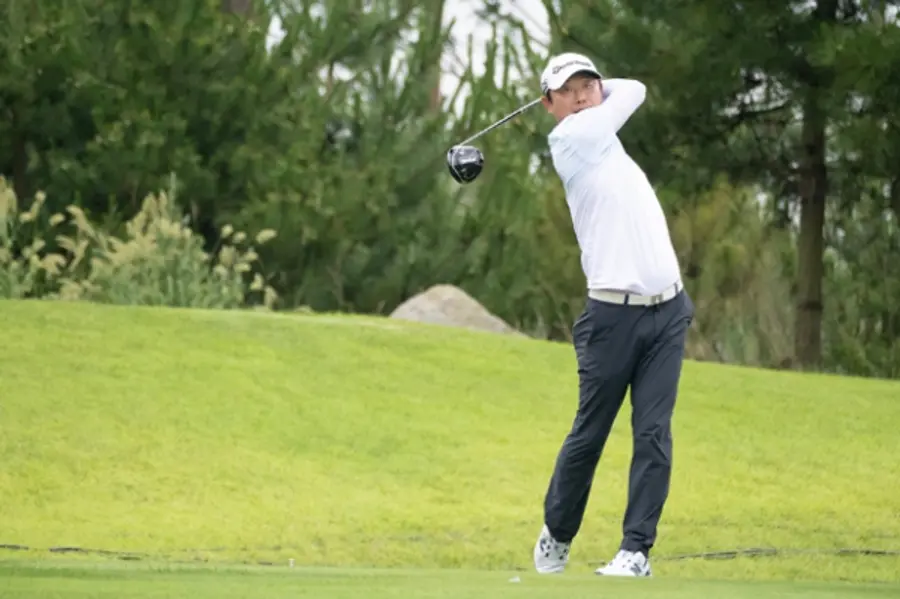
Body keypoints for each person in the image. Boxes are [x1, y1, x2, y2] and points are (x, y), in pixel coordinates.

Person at [531, 52, 695, 578]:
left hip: (668, 310)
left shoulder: (603, 132)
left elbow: (631, 88)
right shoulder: (570, 140)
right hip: (611, 318)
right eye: (568, 90)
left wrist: (591, 91)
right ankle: (558, 533)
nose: (581, 95)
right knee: (591, 433)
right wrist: (596, 99)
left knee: (653, 433)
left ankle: (635, 551)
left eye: (588, 84)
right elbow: (636, 90)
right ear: (548, 104)